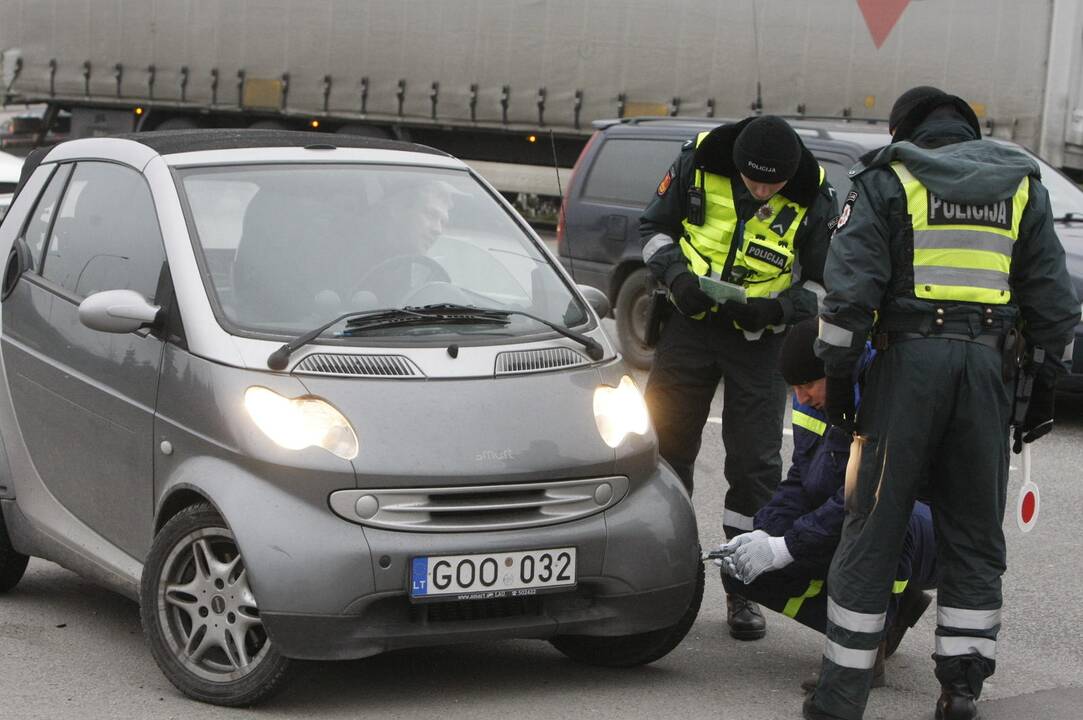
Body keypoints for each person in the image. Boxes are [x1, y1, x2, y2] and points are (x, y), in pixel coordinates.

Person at [805, 87, 1081, 720]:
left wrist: (843, 388)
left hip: (906, 369)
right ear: (970, 132)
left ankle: (840, 700)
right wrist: (1038, 390)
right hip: (987, 372)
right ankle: (961, 690)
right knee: (975, 536)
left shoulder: (887, 178)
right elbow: (1054, 305)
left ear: (907, 129)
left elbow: (846, 304)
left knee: (873, 530)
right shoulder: (1019, 183)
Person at [640, 115, 838, 640]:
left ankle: (743, 588)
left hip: (760, 342)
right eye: (754, 181)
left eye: (773, 184)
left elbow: (826, 282)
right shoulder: (700, 161)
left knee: (755, 467)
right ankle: (667, 576)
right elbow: (653, 229)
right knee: (664, 452)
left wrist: (778, 310)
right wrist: (677, 279)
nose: (762, 190)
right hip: (689, 326)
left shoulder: (814, 194)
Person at [715, 317, 938, 690]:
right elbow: (802, 479)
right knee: (741, 573)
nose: (800, 399)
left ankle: (866, 650)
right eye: (794, 388)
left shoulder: (885, 397)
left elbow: (866, 497)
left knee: (886, 523)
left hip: (927, 530)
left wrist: (787, 546)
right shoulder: (818, 402)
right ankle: (882, 615)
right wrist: (763, 533)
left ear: (836, 371)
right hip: (849, 516)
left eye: (807, 385)